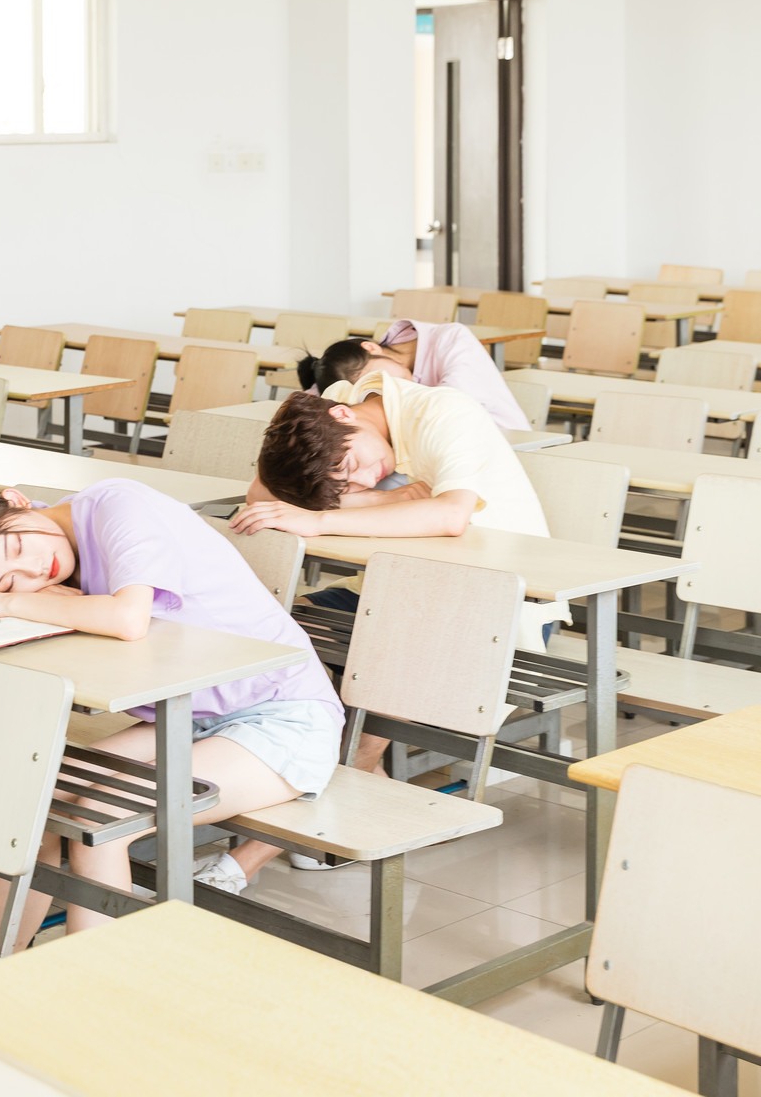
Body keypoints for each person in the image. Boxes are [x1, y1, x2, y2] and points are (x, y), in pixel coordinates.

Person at [0, 479, 340, 935]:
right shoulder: (36, 535)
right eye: (10, 577)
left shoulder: (120, 508)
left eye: (18, 546)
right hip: (188, 715)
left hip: (283, 715)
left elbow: (127, 619)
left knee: (98, 817)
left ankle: (98, 981)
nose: (36, 570)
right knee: (35, 799)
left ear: (15, 500)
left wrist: (8, 599)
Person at [222, 372, 563, 887]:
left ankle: (250, 859)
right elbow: (262, 495)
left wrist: (323, 517)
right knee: (270, 636)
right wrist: (391, 500)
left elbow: (449, 516)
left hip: (494, 608)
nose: (361, 480)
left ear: (345, 419)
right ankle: (335, 787)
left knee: (378, 671)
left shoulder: (445, 412)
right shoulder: (335, 405)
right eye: (345, 480)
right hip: (394, 589)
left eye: (352, 467)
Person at [300, 318, 531, 431]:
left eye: (378, 380)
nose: (384, 390)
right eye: (369, 392)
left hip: (510, 446)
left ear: (371, 348)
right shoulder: (354, 377)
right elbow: (309, 404)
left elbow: (447, 406)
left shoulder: (451, 338)